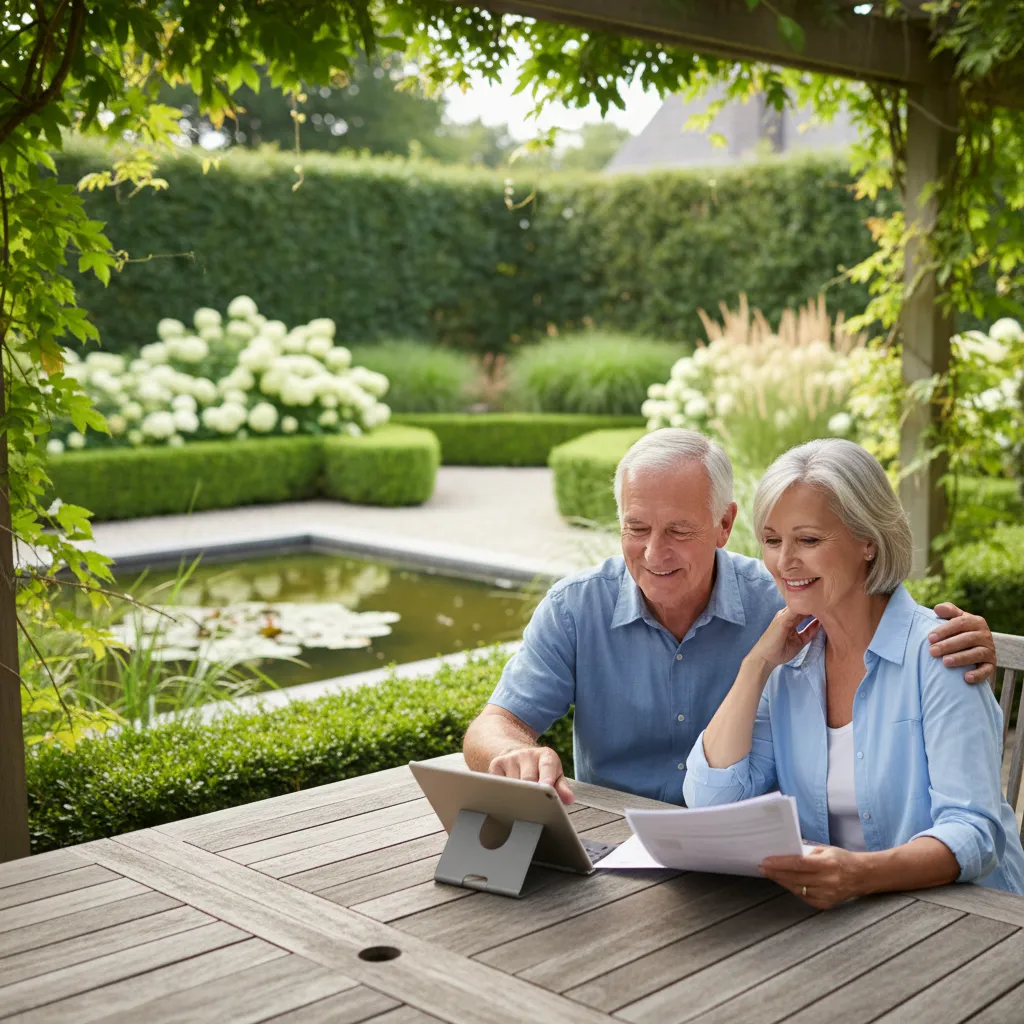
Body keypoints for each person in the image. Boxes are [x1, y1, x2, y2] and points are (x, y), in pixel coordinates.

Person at [463, 429, 997, 805]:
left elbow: (875, 607)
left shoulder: (789, 601)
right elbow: (494, 725)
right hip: (617, 850)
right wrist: (513, 756)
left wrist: (957, 635)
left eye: (678, 531)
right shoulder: (576, 607)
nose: (653, 554)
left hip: (747, 868)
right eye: (636, 528)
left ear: (724, 524)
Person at [684, 438, 1024, 904]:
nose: (785, 562)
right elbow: (710, 804)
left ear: (868, 541)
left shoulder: (941, 652)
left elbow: (975, 833)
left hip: (971, 921)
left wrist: (859, 874)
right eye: (772, 540)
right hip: (846, 919)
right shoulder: (789, 662)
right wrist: (755, 665)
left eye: (808, 540)